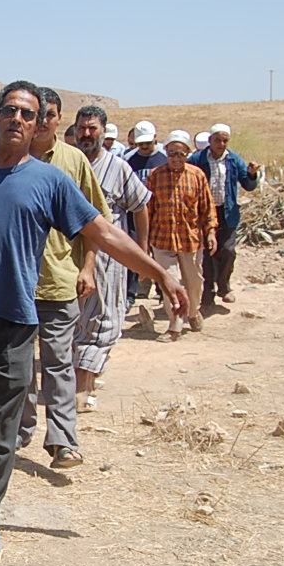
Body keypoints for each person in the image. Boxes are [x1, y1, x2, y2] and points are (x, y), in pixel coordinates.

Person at [0, 80, 188, 558]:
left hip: (13, 321)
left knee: (3, 424)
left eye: (27, 114)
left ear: (39, 124)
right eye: (10, 110)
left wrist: (160, 274)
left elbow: (104, 233)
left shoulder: (52, 182)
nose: (18, 119)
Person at [17, 87, 108, 470]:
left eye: (49, 115)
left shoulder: (73, 162)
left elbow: (95, 223)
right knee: (18, 368)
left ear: (58, 120)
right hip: (15, 285)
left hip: (60, 281)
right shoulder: (10, 159)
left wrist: (88, 267)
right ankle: (19, 431)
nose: (40, 122)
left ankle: (63, 441)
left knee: (58, 364)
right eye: (35, 115)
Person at [71, 106, 151, 411]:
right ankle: (80, 384)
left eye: (92, 128)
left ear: (103, 132)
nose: (86, 134)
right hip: (70, 256)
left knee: (104, 319)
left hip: (109, 259)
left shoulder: (118, 168)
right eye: (82, 128)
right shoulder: (67, 163)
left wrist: (141, 251)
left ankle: (84, 386)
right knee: (73, 321)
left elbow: (140, 207)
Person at [143, 130, 217, 342]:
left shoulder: (197, 176)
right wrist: (145, 241)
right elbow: (147, 210)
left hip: (190, 239)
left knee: (194, 283)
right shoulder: (156, 176)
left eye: (181, 154)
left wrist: (211, 232)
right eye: (172, 154)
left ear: (187, 154)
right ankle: (174, 326)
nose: (176, 158)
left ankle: (192, 312)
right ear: (166, 152)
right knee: (169, 283)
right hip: (162, 239)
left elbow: (207, 207)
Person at [189, 122, 261, 308]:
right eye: (217, 140)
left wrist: (252, 175)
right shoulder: (197, 159)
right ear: (210, 140)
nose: (221, 144)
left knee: (227, 250)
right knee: (206, 254)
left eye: (225, 141)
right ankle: (208, 292)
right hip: (204, 213)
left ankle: (223, 285)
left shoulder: (234, 160)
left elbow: (248, 185)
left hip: (227, 212)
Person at [124, 122, 168, 306]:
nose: (143, 146)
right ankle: (130, 293)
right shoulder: (128, 160)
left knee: (160, 254)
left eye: (147, 143)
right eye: (140, 143)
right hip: (134, 213)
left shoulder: (164, 159)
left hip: (159, 214)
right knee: (134, 252)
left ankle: (162, 291)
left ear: (155, 138)